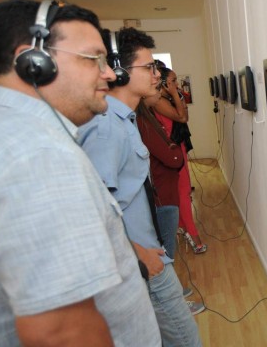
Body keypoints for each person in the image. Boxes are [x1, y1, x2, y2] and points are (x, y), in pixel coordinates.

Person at [0, 0, 161, 346]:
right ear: (34, 62)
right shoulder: (39, 155)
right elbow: (61, 332)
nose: (108, 73)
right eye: (94, 59)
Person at [78, 27, 202, 346]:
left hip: (149, 256)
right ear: (119, 71)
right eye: (148, 67)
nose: (156, 74)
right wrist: (140, 256)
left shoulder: (126, 121)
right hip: (140, 263)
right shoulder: (106, 129)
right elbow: (93, 211)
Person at [137, 92, 206, 315]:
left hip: (161, 191)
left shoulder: (142, 116)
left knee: (166, 250)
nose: (156, 84)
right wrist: (175, 153)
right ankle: (174, 304)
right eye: (150, 71)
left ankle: (173, 293)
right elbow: (172, 156)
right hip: (160, 195)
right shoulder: (142, 119)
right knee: (165, 252)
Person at [154, 67, 207, 254]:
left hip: (179, 148)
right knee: (183, 193)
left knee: (183, 192)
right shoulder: (159, 101)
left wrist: (177, 96)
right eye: (173, 81)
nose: (177, 84)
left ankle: (185, 229)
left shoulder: (167, 99)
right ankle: (194, 236)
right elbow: (182, 117)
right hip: (172, 150)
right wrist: (176, 94)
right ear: (163, 83)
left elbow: (186, 116)